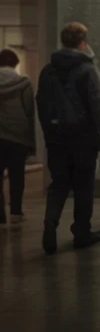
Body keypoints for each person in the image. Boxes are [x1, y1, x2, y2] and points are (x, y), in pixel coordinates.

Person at [35, 22, 100, 253]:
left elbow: (41, 103)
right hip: (84, 138)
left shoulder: (48, 70)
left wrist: (49, 131)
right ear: (82, 43)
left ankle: (50, 225)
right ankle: (81, 232)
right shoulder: (87, 69)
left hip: (57, 138)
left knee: (58, 183)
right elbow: (98, 106)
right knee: (83, 186)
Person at [0, 48, 36, 226]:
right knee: (17, 176)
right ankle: (16, 213)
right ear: (15, 64)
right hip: (18, 136)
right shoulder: (23, 83)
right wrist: (31, 142)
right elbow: (29, 111)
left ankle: (0, 217)